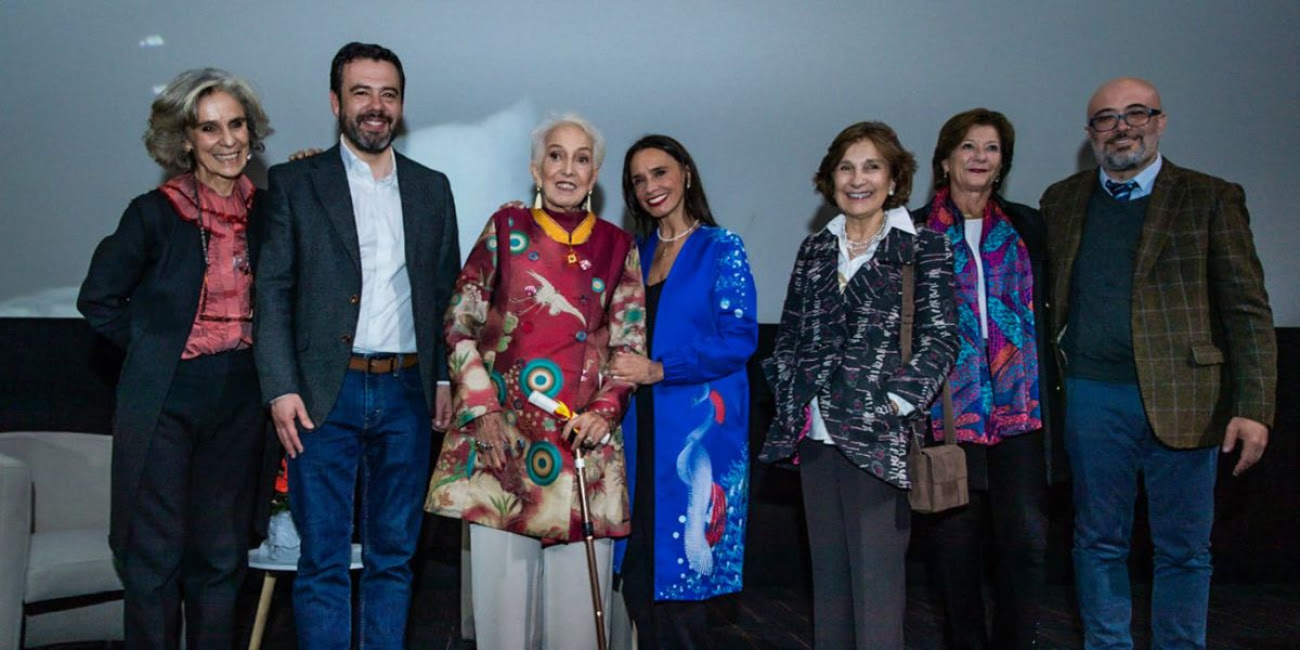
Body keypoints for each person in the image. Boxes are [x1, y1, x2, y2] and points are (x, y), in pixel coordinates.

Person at [1041, 77, 1276, 649]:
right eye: (1106, 118)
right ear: (1090, 133)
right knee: (1097, 542)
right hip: (1093, 397)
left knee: (1184, 550)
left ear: (1160, 121)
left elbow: (1247, 309)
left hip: (1188, 400)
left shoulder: (1211, 197)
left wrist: (1253, 408)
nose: (1122, 127)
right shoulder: (1062, 200)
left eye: (1136, 113)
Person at [253, 42, 460, 650]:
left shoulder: (431, 188)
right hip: (323, 393)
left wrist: (445, 379)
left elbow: (446, 291)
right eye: (362, 92)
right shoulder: (294, 182)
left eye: (388, 94)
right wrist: (280, 387)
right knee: (321, 559)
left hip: (407, 393)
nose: (376, 106)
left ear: (400, 105)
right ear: (335, 101)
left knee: (395, 558)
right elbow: (273, 291)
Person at [425, 113, 646, 650]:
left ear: (594, 177)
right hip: (503, 445)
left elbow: (629, 344)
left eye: (581, 159)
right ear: (535, 168)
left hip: (583, 450)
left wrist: (605, 411)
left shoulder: (620, 246)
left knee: (577, 623)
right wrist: (482, 408)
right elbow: (459, 320)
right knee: (504, 621)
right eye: (555, 155)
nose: (567, 169)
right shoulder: (505, 228)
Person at [77, 68, 275, 650]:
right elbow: (100, 300)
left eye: (236, 124)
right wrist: (160, 348)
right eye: (208, 128)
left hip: (241, 399)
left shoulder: (268, 212)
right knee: (155, 559)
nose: (228, 140)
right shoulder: (154, 212)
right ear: (184, 140)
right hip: (167, 399)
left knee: (220, 558)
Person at [760, 121, 958, 650]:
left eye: (871, 166)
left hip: (879, 440)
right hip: (815, 437)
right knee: (829, 587)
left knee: (877, 591)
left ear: (894, 180)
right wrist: (789, 391)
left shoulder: (925, 247)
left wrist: (892, 404)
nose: (857, 179)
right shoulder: (815, 249)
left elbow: (941, 339)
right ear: (831, 179)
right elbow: (792, 333)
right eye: (846, 167)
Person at [911, 108, 1056, 649]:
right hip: (948, 413)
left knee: (1026, 543)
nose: (978, 157)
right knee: (955, 549)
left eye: (990, 148)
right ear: (945, 159)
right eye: (967, 147)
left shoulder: (1028, 226)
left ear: (1002, 163)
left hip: (1021, 411)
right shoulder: (913, 229)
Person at [608, 134, 758, 649]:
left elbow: (739, 340)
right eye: (638, 180)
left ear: (686, 174)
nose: (651, 187)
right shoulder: (636, 252)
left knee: (684, 583)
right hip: (636, 430)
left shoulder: (722, 247)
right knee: (640, 576)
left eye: (661, 173)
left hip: (694, 433)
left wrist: (659, 370)